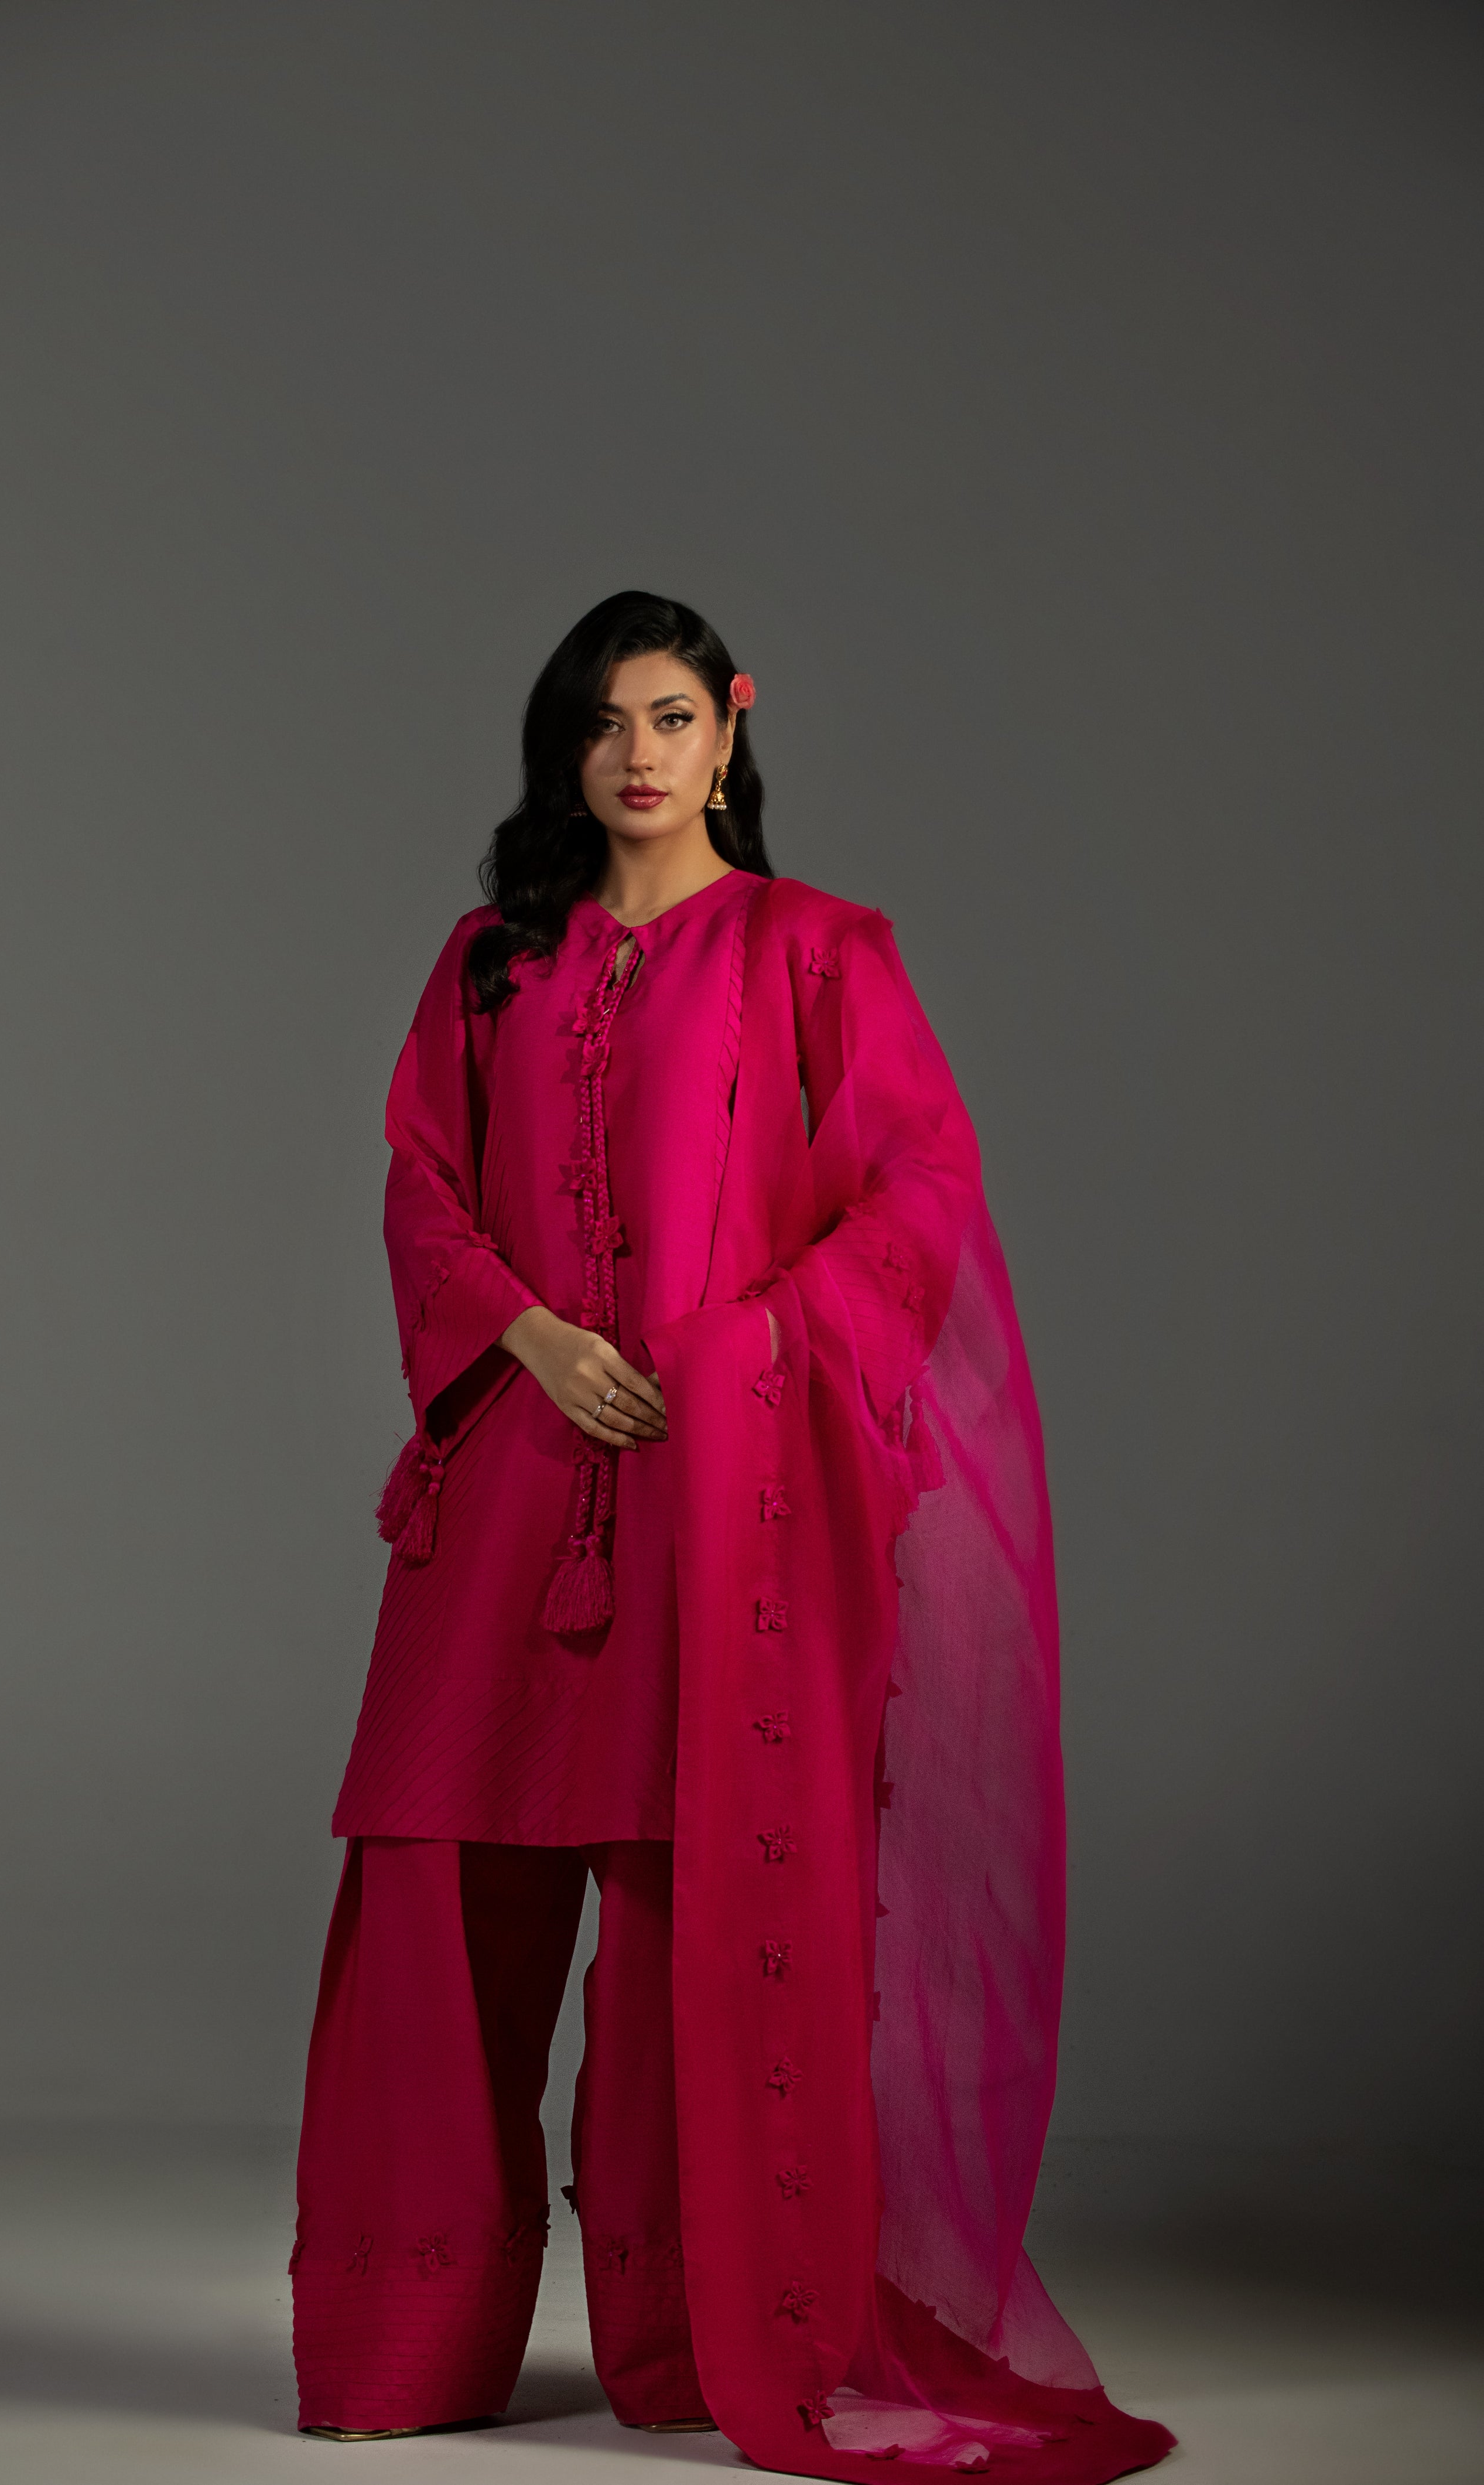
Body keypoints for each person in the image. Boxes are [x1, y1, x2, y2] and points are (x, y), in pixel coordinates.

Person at [289, 590, 1175, 2481]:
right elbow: (424, 1187)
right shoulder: (489, 963)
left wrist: (742, 1349)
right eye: (604, 721)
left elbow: (916, 1193)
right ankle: (402, 2341)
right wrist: (530, 1336)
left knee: (684, 1892)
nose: (637, 754)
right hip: (508, 1469)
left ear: (729, 729)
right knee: (435, 1882)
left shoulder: (815, 951)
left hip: (718, 1493)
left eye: (671, 716)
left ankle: (686, 2339)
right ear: (566, 747)